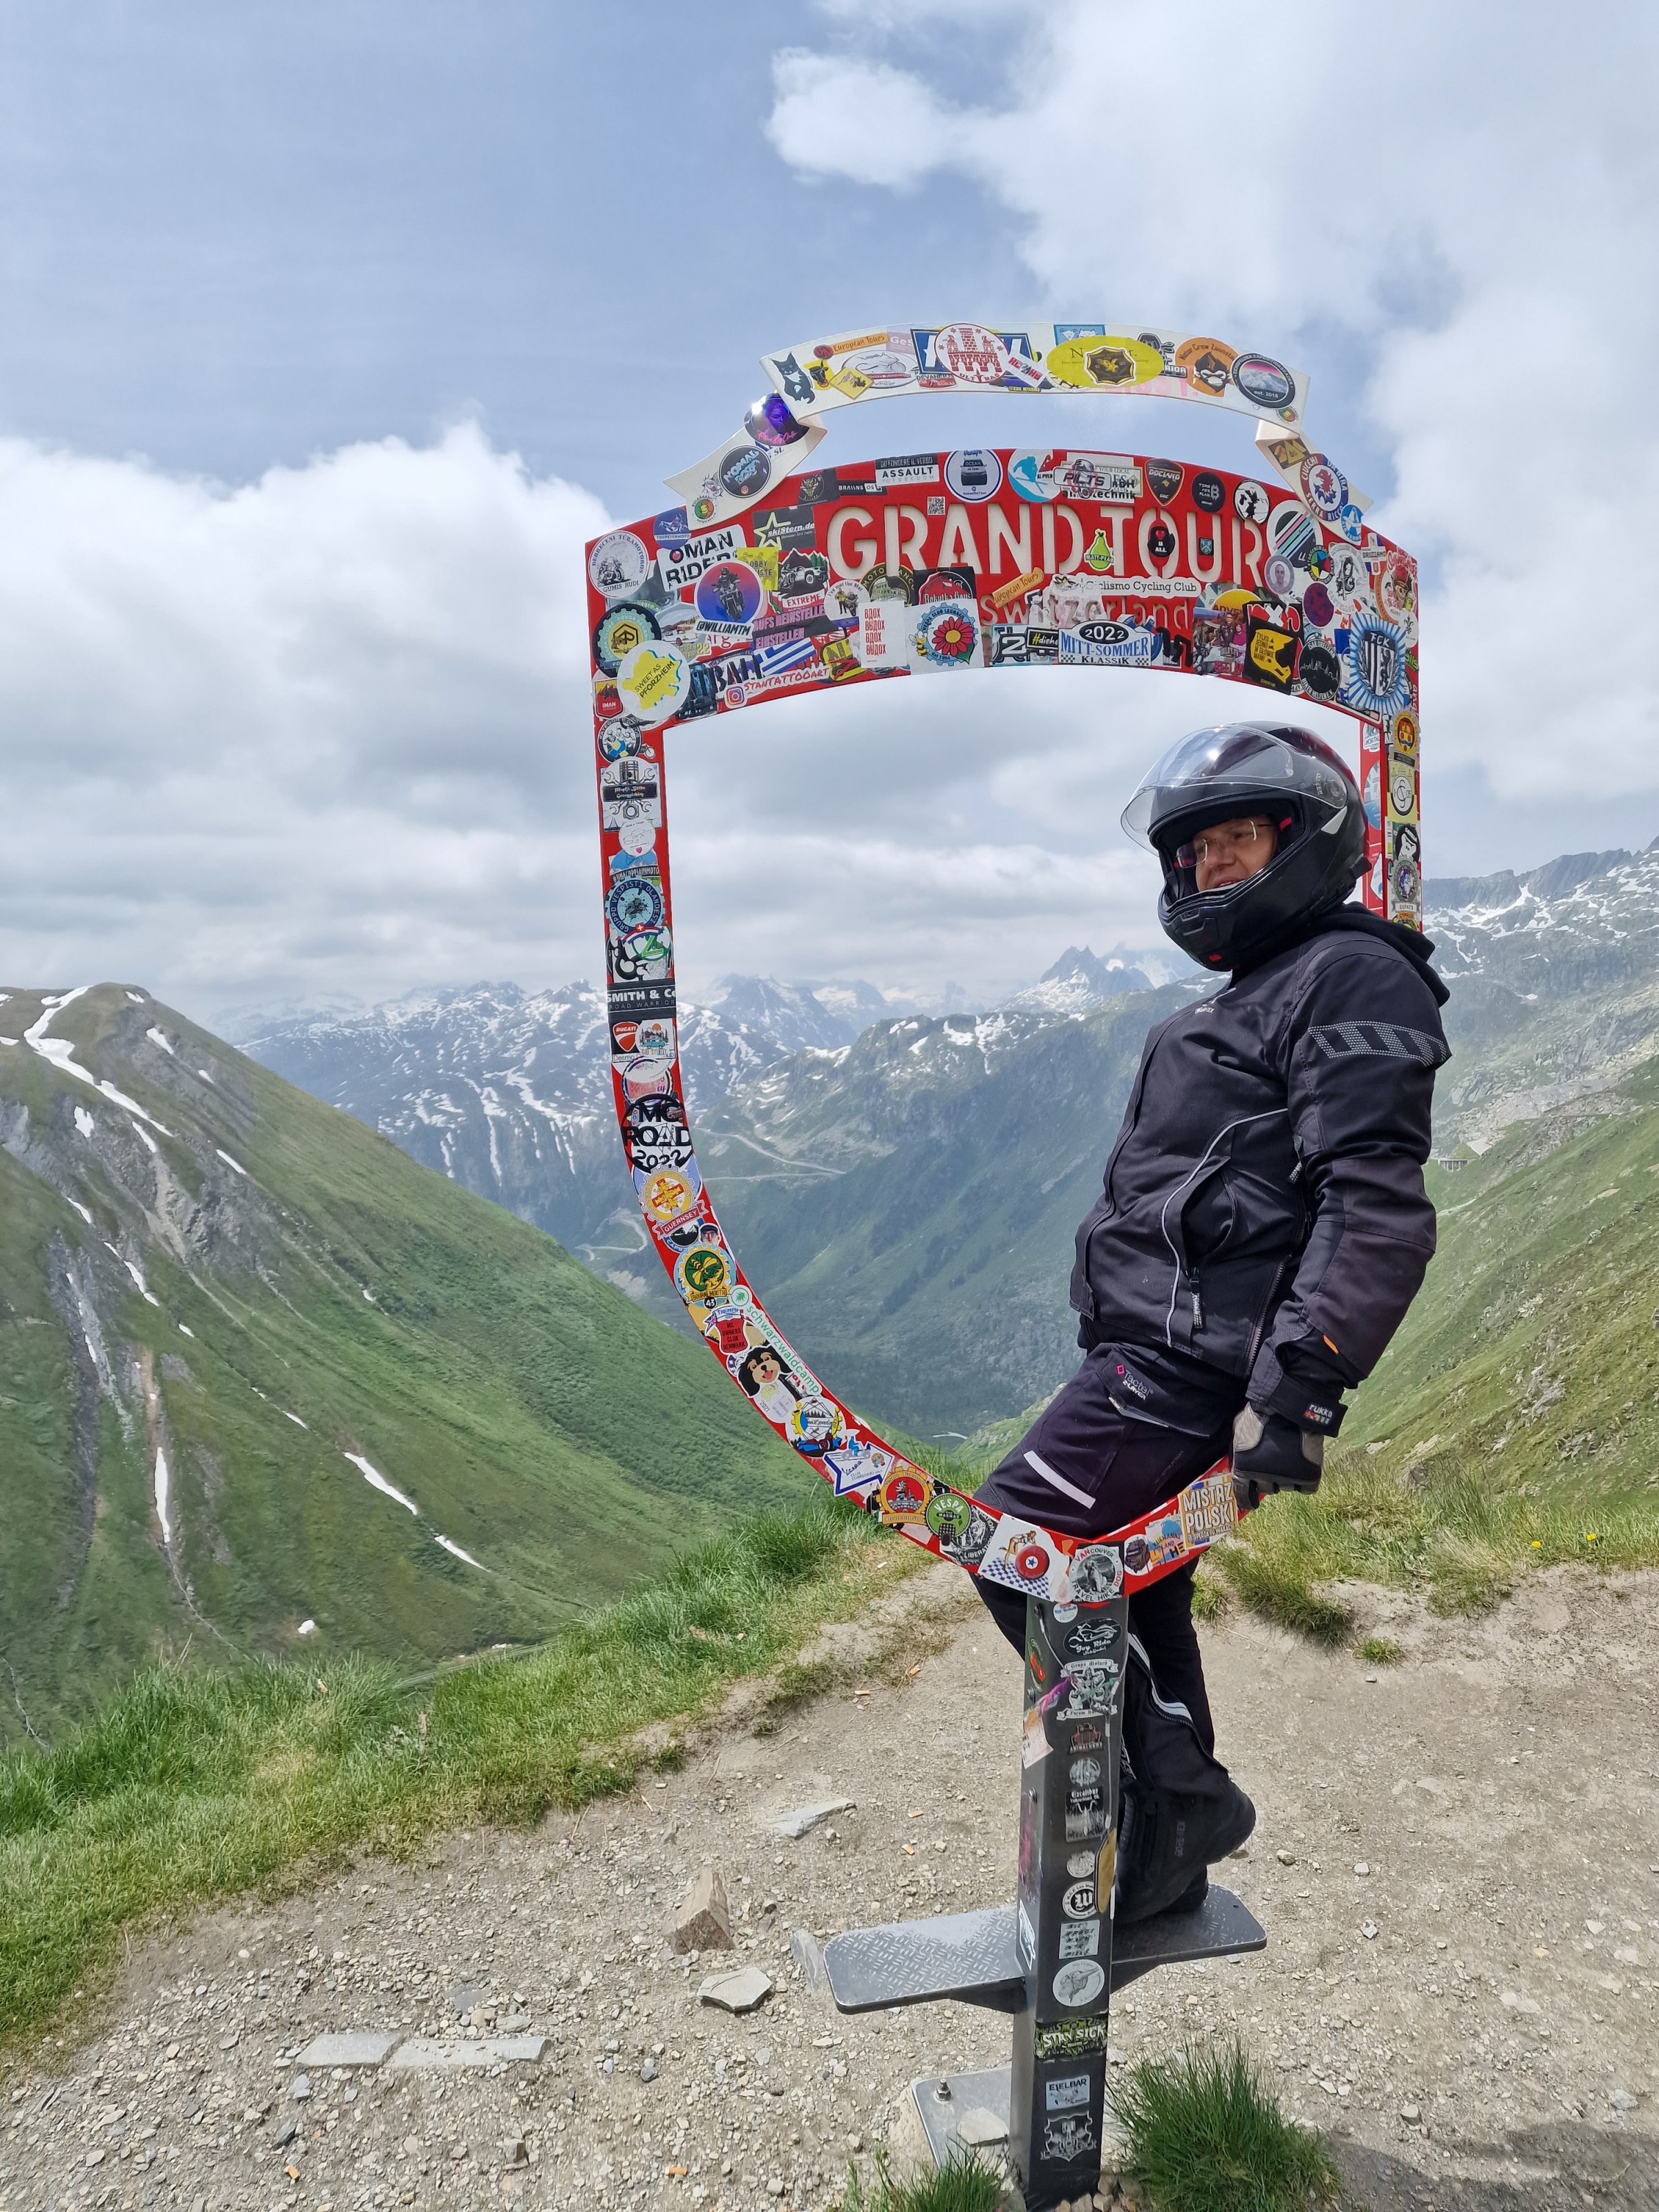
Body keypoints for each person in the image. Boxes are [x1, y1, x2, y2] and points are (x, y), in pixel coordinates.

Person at [973, 722, 1450, 1922]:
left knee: (1013, 1537)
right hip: (1161, 1355)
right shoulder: (1271, 984)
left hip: (1185, 1369)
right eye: (1192, 852)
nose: (1207, 868)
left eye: (1237, 840)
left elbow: (1375, 1200)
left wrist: (1303, 1387)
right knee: (1145, 1594)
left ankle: (1184, 1792)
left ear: (1308, 840)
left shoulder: (1349, 975)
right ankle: (1169, 1848)